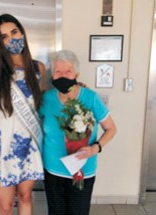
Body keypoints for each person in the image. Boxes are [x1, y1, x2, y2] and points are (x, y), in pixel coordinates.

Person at [0, 14, 46, 215]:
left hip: (29, 142)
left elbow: (42, 106)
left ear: (22, 32)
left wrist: (75, 90)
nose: (11, 39)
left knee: (26, 196)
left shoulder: (38, 68)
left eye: (14, 32)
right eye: (4, 37)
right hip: (2, 145)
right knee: (6, 205)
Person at [39, 50, 117, 215]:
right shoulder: (46, 98)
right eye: (57, 71)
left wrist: (95, 148)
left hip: (82, 171)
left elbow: (111, 128)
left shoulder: (91, 98)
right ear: (52, 76)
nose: (63, 76)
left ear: (77, 74)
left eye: (68, 71)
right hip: (53, 170)